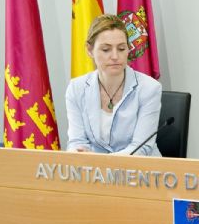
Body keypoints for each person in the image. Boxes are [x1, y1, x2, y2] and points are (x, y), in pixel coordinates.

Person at [65, 14, 162, 155]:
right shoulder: (76, 88)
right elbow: (76, 141)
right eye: (106, 49)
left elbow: (141, 148)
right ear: (89, 50)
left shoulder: (149, 88)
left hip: (140, 172)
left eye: (121, 49)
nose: (115, 56)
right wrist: (78, 153)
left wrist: (102, 163)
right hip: (94, 173)